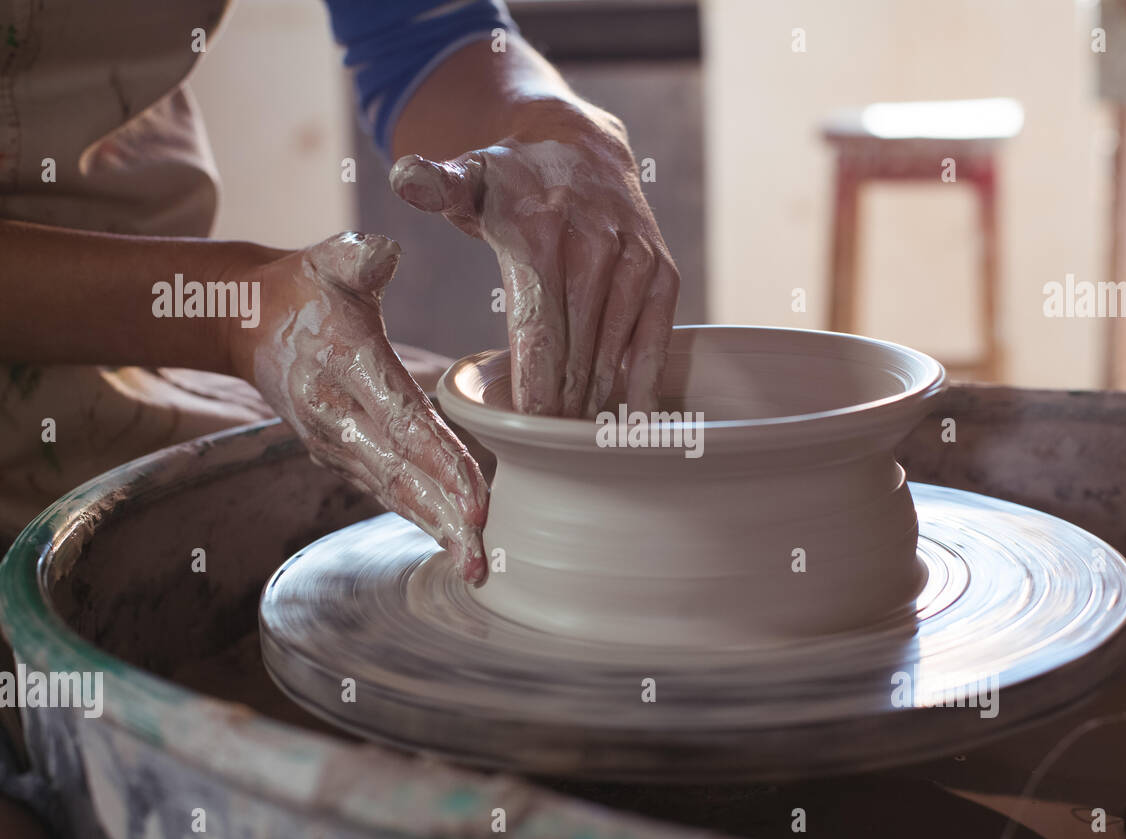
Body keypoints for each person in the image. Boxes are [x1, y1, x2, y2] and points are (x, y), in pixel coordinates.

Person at [0, 0, 680, 585]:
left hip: (146, 361)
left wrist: (551, 127)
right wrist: (232, 313)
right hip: (111, 331)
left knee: (481, 458)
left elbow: (425, 34)